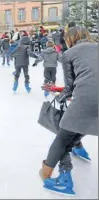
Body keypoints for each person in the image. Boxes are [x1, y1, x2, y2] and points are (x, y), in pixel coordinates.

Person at [40, 26, 98, 196]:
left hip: (86, 102)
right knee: (78, 129)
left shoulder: (69, 54)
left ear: (69, 39)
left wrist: (57, 96)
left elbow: (70, 89)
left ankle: (57, 176)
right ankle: (78, 147)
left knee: (62, 137)